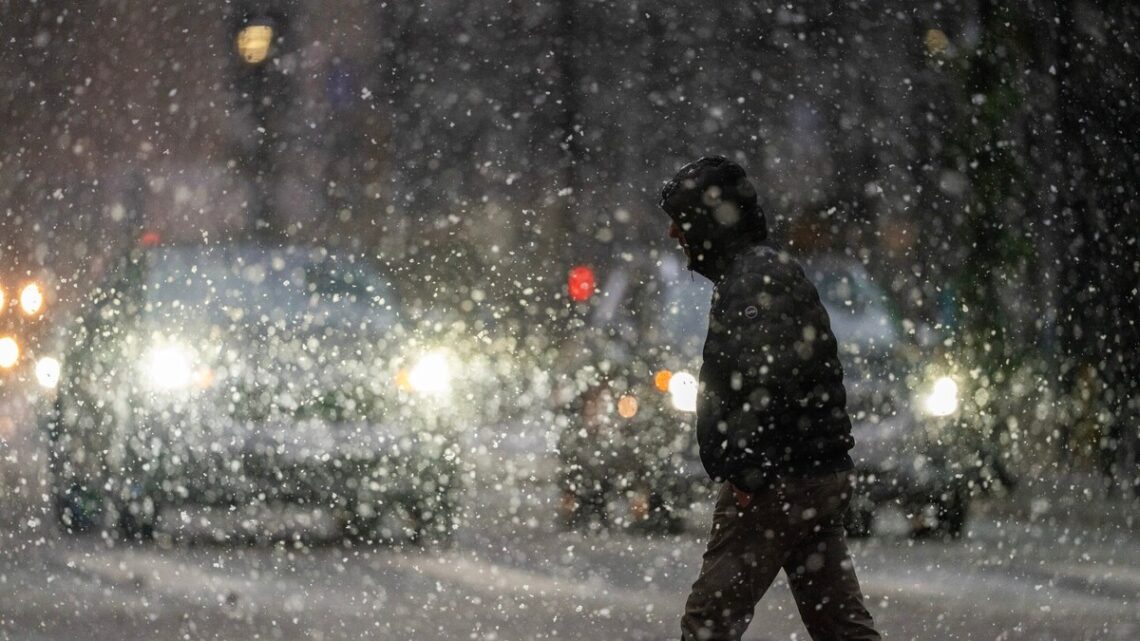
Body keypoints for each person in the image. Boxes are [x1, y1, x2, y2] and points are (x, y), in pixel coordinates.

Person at [659, 156, 881, 641]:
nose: (674, 234)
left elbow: (765, 382)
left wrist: (748, 471)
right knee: (840, 626)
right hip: (807, 475)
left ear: (709, 222)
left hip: (778, 482)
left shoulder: (754, 279)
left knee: (709, 624)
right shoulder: (762, 272)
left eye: (681, 220)